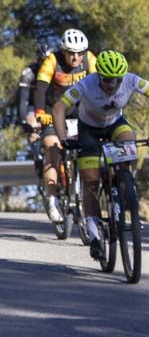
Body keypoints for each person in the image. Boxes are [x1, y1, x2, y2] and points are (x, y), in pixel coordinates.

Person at [52, 50, 149, 259]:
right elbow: (58, 108)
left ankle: (123, 185)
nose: (112, 84)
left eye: (117, 80)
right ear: (98, 76)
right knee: (90, 182)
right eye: (107, 80)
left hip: (114, 124)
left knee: (128, 142)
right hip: (88, 130)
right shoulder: (85, 85)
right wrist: (63, 138)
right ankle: (94, 232)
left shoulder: (131, 80)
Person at [32, 28, 96, 224]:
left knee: (87, 149)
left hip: (78, 112)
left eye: (79, 53)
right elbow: (40, 89)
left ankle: (83, 196)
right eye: (71, 53)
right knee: (53, 149)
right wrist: (40, 113)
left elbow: (98, 85)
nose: (76, 57)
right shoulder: (52, 60)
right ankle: (52, 201)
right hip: (54, 111)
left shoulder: (90, 59)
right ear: (64, 51)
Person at [18, 38, 59, 179]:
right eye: (42, 61)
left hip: (51, 105)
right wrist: (25, 121)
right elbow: (23, 100)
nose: (45, 65)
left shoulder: (58, 71)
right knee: (32, 127)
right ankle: (38, 158)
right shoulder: (29, 73)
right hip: (33, 106)